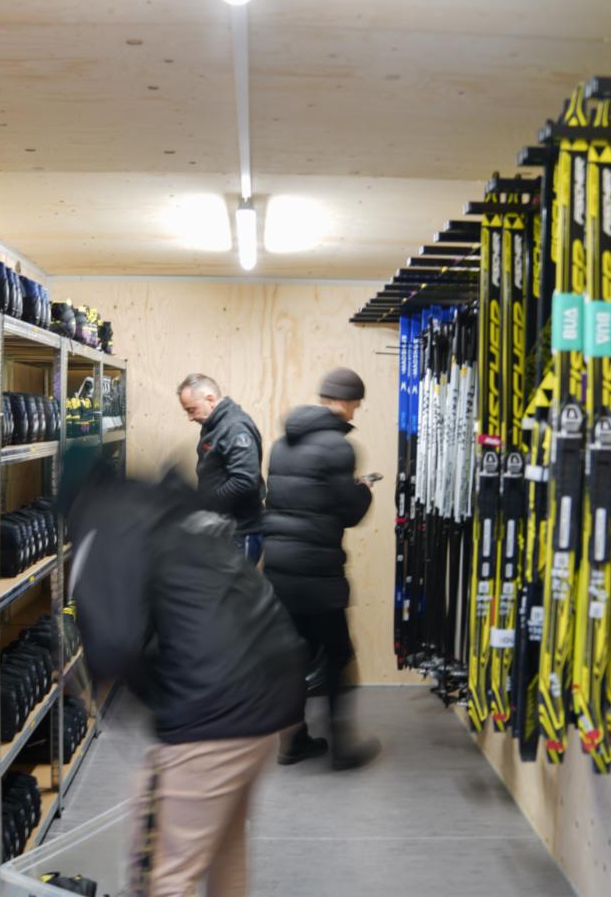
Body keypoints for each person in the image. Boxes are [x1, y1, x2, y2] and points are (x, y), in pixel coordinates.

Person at [68, 459, 306, 897]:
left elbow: (115, 644)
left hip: (212, 711)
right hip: (273, 692)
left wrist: (118, 690)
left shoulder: (101, 523)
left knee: (163, 876)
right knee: (224, 849)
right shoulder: (172, 512)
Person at [262, 366, 381, 771]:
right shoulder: (338, 448)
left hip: (279, 570)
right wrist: (363, 490)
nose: (355, 412)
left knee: (293, 657)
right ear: (345, 402)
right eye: (356, 405)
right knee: (337, 656)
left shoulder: (281, 444)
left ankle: (292, 742)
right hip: (317, 574)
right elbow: (348, 512)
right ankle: (343, 750)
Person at [176, 373, 265, 562]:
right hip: (223, 529)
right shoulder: (214, 425)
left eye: (192, 410)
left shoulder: (235, 427)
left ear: (210, 399)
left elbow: (245, 481)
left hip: (240, 531)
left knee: (236, 583)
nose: (190, 417)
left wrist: (209, 505)